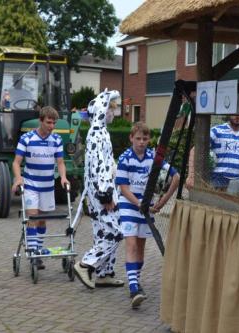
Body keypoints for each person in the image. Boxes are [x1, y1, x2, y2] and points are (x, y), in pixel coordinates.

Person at [116, 122, 180, 308]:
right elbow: (124, 188)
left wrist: (162, 202)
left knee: (141, 247)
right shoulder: (125, 158)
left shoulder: (154, 157)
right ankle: (134, 288)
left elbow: (176, 177)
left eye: (145, 139)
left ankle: (135, 279)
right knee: (131, 243)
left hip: (147, 208)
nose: (142, 142)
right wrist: (139, 204)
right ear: (131, 138)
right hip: (129, 205)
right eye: (138, 138)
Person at [73, 89, 124, 290]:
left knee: (102, 232)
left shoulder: (98, 132)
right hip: (102, 193)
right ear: (103, 110)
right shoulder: (99, 134)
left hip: (97, 192)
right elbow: (100, 166)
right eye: (112, 109)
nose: (114, 113)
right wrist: (106, 194)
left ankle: (105, 273)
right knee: (116, 231)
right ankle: (87, 264)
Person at [12, 106, 69, 270]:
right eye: (49, 122)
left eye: (54, 123)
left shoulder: (57, 139)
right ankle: (34, 255)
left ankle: (37, 249)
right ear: (41, 121)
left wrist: (63, 177)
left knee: (43, 220)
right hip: (31, 185)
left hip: (47, 186)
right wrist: (18, 178)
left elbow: (60, 163)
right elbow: (16, 162)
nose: (51, 126)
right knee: (32, 218)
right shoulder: (27, 138)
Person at [209, 115, 239, 189]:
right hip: (218, 177)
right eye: (234, 113)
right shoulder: (216, 131)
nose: (237, 116)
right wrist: (191, 175)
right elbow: (196, 148)